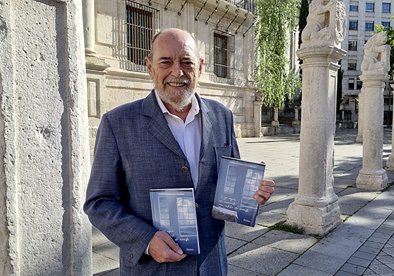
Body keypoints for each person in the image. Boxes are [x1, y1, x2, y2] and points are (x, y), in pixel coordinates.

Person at [84, 28, 275, 276]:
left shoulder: (222, 117)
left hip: (211, 266)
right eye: (166, 62)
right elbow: (99, 203)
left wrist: (252, 195)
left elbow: (229, 187)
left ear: (200, 67)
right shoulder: (118, 123)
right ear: (150, 66)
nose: (178, 72)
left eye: (187, 62)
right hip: (152, 269)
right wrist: (146, 240)